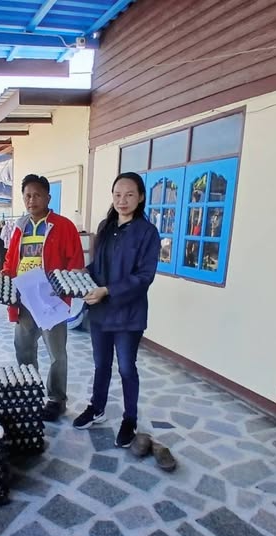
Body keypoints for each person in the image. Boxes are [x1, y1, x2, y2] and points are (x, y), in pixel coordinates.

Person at [73, 172, 161, 448]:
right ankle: (97, 408)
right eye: (117, 195)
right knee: (101, 364)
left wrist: (108, 290)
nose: (122, 200)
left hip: (128, 313)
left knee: (125, 368)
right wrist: (83, 274)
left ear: (141, 197)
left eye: (129, 195)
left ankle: (129, 419)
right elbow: (99, 266)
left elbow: (144, 276)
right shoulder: (106, 227)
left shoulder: (147, 232)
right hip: (100, 312)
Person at [2, 174, 84, 421]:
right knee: (24, 349)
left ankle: (57, 399)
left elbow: (75, 262)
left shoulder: (63, 226)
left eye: (37, 195)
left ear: (48, 197)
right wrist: (5, 275)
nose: (32, 200)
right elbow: (11, 260)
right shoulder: (20, 227)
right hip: (24, 299)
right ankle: (30, 392)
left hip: (50, 300)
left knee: (56, 353)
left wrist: (63, 286)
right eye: (27, 195)